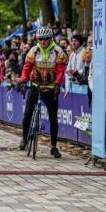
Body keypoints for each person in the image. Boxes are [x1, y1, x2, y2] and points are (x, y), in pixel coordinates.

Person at [17, 27, 67, 158]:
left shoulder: (58, 51)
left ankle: (54, 146)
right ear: (37, 39)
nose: (43, 41)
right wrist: (23, 79)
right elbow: (27, 68)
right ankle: (24, 139)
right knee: (27, 113)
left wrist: (57, 83)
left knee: (53, 117)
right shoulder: (33, 51)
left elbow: (61, 70)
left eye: (46, 39)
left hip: (50, 87)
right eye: (40, 39)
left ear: (50, 38)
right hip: (36, 85)